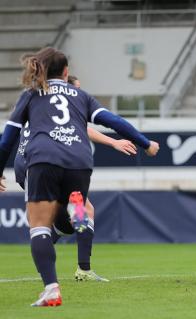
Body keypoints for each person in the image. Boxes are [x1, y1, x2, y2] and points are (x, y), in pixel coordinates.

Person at [0, 47, 159, 307]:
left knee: (39, 225)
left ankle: (52, 288)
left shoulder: (31, 95)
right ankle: (76, 240)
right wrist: (145, 143)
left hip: (42, 160)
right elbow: (114, 121)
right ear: (66, 72)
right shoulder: (81, 96)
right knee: (81, 211)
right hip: (79, 162)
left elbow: (7, 140)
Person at [13, 75, 137, 283]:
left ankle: (50, 250)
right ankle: (81, 269)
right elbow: (84, 128)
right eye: (77, 88)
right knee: (76, 213)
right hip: (37, 164)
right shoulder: (63, 104)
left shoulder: (41, 102)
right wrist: (114, 142)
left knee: (68, 221)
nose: (79, 93)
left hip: (31, 163)